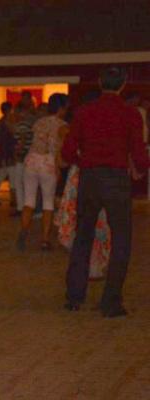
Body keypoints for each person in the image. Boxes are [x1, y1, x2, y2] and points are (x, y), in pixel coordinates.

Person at [62, 66, 149, 317]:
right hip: (116, 179)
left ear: (100, 82)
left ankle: (74, 296)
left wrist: (84, 162)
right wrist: (141, 167)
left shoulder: (84, 111)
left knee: (83, 237)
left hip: (90, 177)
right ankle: (110, 301)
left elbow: (68, 150)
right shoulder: (130, 113)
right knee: (121, 239)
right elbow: (139, 153)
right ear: (124, 84)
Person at [17, 93, 69, 250]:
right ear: (61, 108)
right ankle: (45, 239)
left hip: (31, 161)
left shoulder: (39, 122)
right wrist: (59, 166)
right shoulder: (63, 126)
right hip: (48, 163)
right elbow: (57, 148)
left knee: (29, 201)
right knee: (48, 202)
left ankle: (23, 232)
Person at [0, 101, 17, 205]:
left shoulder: (0, 122)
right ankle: (13, 199)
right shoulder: (7, 121)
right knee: (12, 175)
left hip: (3, 152)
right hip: (9, 152)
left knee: (2, 174)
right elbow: (13, 133)